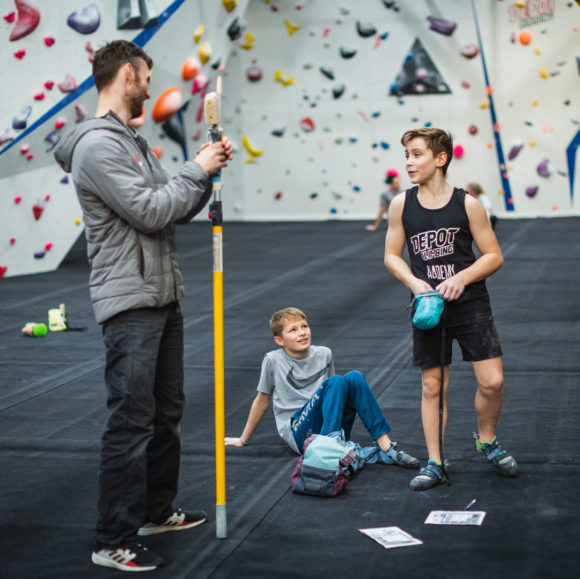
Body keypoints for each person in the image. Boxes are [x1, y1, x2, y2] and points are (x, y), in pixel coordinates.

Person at [54, 40, 233, 572]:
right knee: (131, 420)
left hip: (162, 293)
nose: (152, 90)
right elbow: (152, 211)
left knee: (166, 414)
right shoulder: (97, 146)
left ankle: (156, 511)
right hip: (129, 301)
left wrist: (205, 168)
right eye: (147, 78)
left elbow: (174, 204)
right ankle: (112, 537)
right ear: (128, 74)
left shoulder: (131, 141)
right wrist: (195, 169)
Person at [384, 127, 518, 491]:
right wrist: (414, 283)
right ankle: (435, 462)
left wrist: (463, 277)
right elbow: (391, 257)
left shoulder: (467, 203)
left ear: (440, 159)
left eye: (416, 154)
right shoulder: (401, 205)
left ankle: (486, 440)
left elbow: (494, 255)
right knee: (432, 387)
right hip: (429, 307)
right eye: (407, 155)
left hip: (470, 302)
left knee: (493, 382)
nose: (409, 162)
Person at [225, 307, 419, 472]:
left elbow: (337, 395)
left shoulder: (324, 353)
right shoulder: (273, 360)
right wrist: (243, 439)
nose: (302, 332)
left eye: (304, 326)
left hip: (327, 428)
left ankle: (385, 448)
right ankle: (331, 450)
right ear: (280, 341)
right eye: (293, 330)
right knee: (335, 381)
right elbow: (262, 400)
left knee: (354, 378)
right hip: (299, 431)